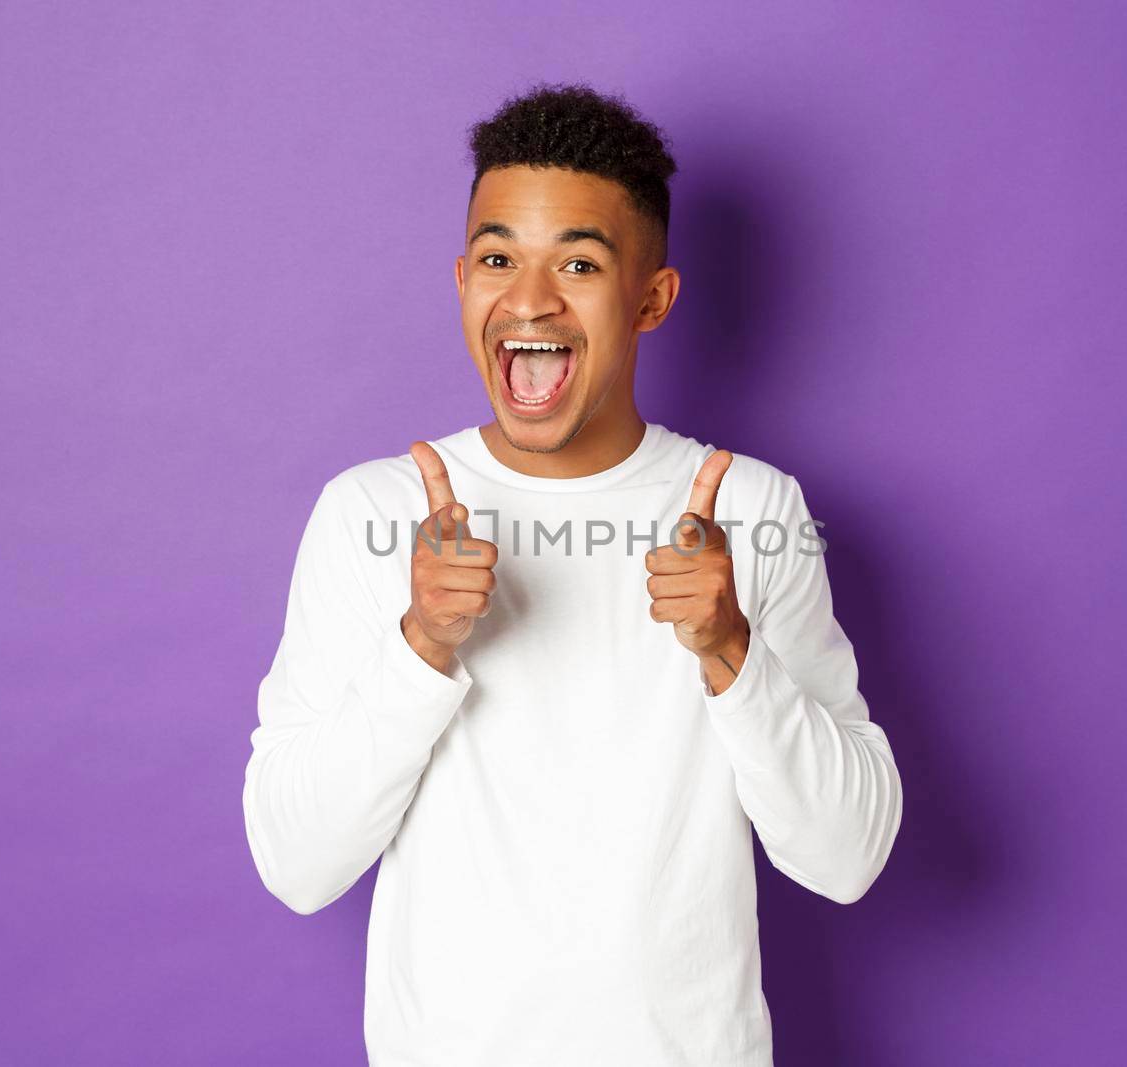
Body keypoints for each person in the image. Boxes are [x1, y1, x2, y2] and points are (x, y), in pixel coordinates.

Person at [241, 81, 903, 1066]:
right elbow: (296, 863)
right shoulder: (371, 514)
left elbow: (847, 857)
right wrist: (421, 645)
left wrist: (731, 652)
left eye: (579, 262)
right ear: (462, 279)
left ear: (652, 298)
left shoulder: (755, 511)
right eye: (499, 257)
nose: (530, 299)